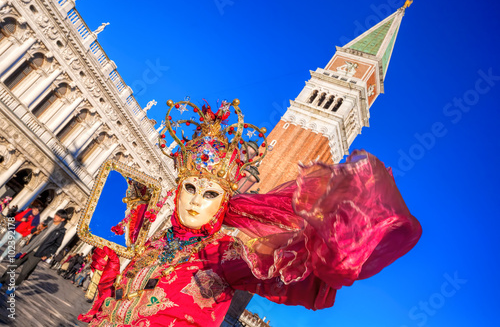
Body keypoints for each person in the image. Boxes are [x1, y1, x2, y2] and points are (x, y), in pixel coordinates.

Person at [80, 99, 422, 326]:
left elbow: (293, 277)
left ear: (223, 201)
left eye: (210, 193)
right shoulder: (149, 237)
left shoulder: (225, 255)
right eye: (190, 188)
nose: (197, 201)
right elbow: (111, 287)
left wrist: (337, 240)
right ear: (178, 189)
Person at [0, 209, 68, 291]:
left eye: (59, 216)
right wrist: (37, 228)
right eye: (56, 214)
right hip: (28, 248)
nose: (56, 217)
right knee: (13, 265)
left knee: (24, 272)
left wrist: (48, 255)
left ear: (62, 219)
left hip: (39, 253)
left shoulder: (61, 231)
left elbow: (57, 245)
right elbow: (32, 231)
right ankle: (1, 281)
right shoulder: (47, 221)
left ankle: (15, 286)